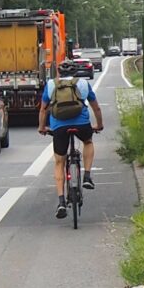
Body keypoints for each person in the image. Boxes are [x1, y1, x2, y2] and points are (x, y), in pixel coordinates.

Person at [38, 59, 104, 219]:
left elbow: (43, 110)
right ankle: (87, 176)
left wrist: (42, 128)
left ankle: (61, 201)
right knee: (88, 142)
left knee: (59, 162)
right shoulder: (83, 84)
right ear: (75, 73)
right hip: (81, 124)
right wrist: (99, 125)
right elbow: (96, 107)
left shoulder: (51, 84)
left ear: (59, 72)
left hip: (59, 127)